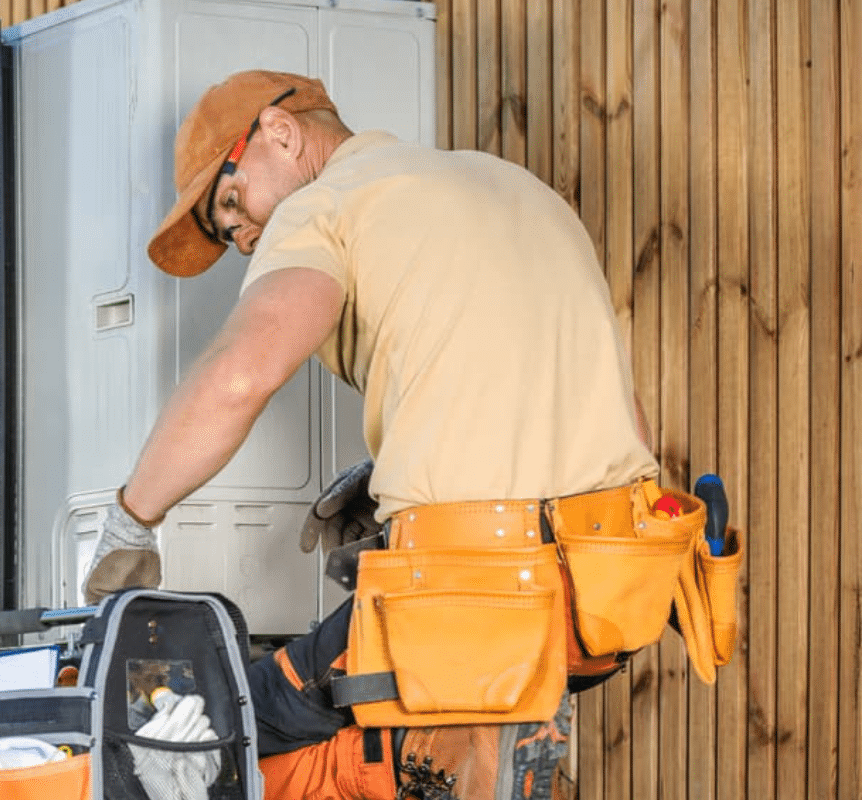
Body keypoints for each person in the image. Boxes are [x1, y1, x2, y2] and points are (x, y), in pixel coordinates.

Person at [80, 70, 690, 799]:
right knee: (379, 699)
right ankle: (460, 741)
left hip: (477, 592)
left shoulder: (325, 206)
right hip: (604, 596)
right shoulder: (513, 187)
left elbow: (238, 378)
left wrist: (132, 518)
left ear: (280, 132)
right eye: (226, 231)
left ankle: (435, 749)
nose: (242, 238)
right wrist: (399, 468)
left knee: (227, 723)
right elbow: (615, 414)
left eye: (232, 204)